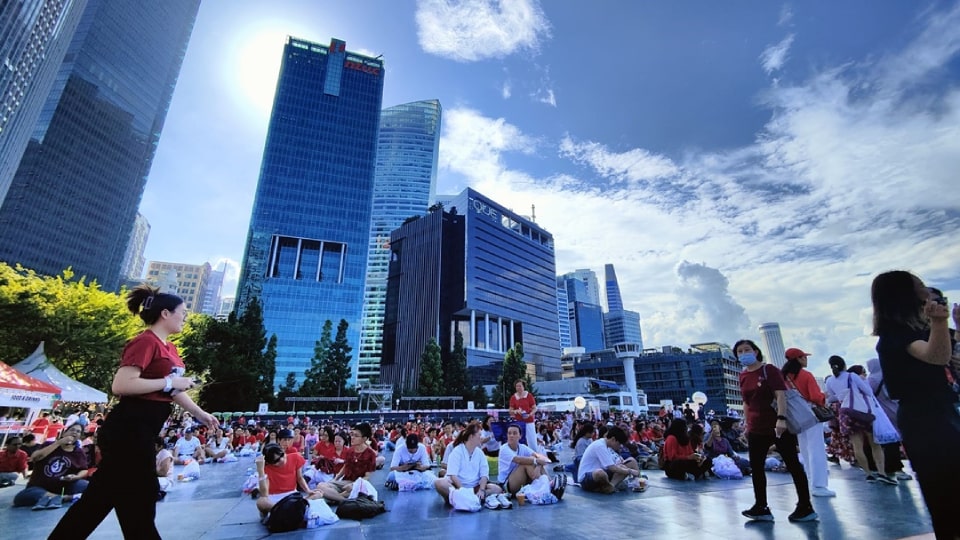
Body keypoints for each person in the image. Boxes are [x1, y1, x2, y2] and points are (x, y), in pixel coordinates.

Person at [48, 284, 217, 540]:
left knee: (110, 497)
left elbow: (172, 390)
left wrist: (200, 413)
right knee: (137, 495)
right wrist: (170, 383)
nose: (185, 316)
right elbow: (122, 384)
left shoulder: (169, 349)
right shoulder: (145, 342)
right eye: (182, 312)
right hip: (129, 428)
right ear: (165, 314)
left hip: (143, 430)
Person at [872, 270, 960, 539]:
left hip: (941, 411)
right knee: (945, 488)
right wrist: (940, 321)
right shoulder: (897, 335)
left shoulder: (914, 330)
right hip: (926, 419)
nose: (925, 287)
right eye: (919, 284)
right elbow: (937, 356)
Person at [734, 339, 817, 522]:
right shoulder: (743, 376)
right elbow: (746, 402)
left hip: (777, 426)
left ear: (756, 351)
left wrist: (781, 419)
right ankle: (761, 506)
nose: (743, 353)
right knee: (756, 467)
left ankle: (805, 505)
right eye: (739, 352)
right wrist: (746, 425)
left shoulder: (769, 370)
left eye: (746, 349)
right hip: (756, 428)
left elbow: (781, 395)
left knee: (792, 464)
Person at [782, 347, 835, 497]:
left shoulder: (783, 376)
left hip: (795, 416)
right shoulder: (805, 375)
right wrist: (824, 396)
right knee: (816, 449)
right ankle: (819, 485)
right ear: (798, 359)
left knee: (805, 449)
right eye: (804, 357)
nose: (806, 359)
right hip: (811, 414)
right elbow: (815, 397)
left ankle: (811, 480)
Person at [13, 423, 89, 509]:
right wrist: (58, 443)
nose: (74, 432)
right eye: (72, 430)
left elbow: (84, 469)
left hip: (64, 487)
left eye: (78, 431)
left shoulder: (79, 452)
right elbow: (35, 458)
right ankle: (62, 497)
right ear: (64, 433)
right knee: (21, 498)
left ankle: (55, 497)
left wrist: (76, 477)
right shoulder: (48, 444)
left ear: (79, 436)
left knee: (86, 485)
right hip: (39, 487)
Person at [433, 423, 504, 509]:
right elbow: (453, 475)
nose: (481, 438)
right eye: (479, 435)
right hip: (458, 488)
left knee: (497, 489)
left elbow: (484, 475)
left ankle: (465, 499)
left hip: (474, 487)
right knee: (439, 483)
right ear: (471, 437)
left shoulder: (480, 453)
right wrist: (463, 491)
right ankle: (467, 498)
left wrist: (481, 490)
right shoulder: (457, 451)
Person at [865, 358, 912, 480]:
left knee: (891, 441)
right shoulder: (889, 374)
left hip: (884, 412)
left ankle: (894, 467)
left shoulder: (872, 379)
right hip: (898, 407)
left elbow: (868, 395)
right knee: (906, 437)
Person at [254, 443, 324, 518]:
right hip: (274, 499)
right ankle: (292, 512)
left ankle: (284, 512)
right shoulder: (266, 468)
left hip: (292, 496)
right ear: (269, 463)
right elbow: (264, 495)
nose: (281, 460)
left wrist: (308, 491)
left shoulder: (295, 457)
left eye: (282, 455)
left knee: (318, 493)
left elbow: (300, 478)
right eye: (276, 461)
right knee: (261, 502)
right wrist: (260, 471)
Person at [315, 423, 377, 503]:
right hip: (344, 482)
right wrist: (335, 479)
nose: (352, 438)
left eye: (356, 436)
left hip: (359, 485)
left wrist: (354, 485)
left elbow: (367, 477)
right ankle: (344, 500)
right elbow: (345, 467)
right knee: (321, 486)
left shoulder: (370, 454)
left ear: (364, 438)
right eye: (352, 435)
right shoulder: (350, 451)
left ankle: (335, 497)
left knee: (322, 496)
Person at [577, 426, 642, 494]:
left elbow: (613, 465)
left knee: (624, 466)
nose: (619, 447)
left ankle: (611, 486)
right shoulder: (600, 445)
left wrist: (624, 467)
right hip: (587, 477)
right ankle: (608, 486)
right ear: (613, 439)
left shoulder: (606, 446)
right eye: (619, 444)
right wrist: (630, 471)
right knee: (600, 473)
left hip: (602, 471)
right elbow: (612, 468)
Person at [498, 424, 547, 495]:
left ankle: (548, 483)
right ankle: (545, 486)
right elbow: (518, 460)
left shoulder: (522, 447)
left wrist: (538, 465)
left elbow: (538, 456)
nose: (511, 435)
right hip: (507, 484)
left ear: (520, 436)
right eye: (509, 433)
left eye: (514, 433)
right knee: (526, 463)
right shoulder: (504, 448)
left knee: (533, 461)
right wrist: (536, 461)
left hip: (520, 480)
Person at [509, 380, 539, 453]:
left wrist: (530, 414)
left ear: (523, 387)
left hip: (529, 421)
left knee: (531, 440)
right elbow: (510, 410)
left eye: (520, 386)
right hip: (519, 422)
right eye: (517, 386)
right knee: (519, 439)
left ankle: (534, 455)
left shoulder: (529, 395)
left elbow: (535, 408)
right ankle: (520, 455)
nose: (518, 387)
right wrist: (516, 411)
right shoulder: (513, 397)